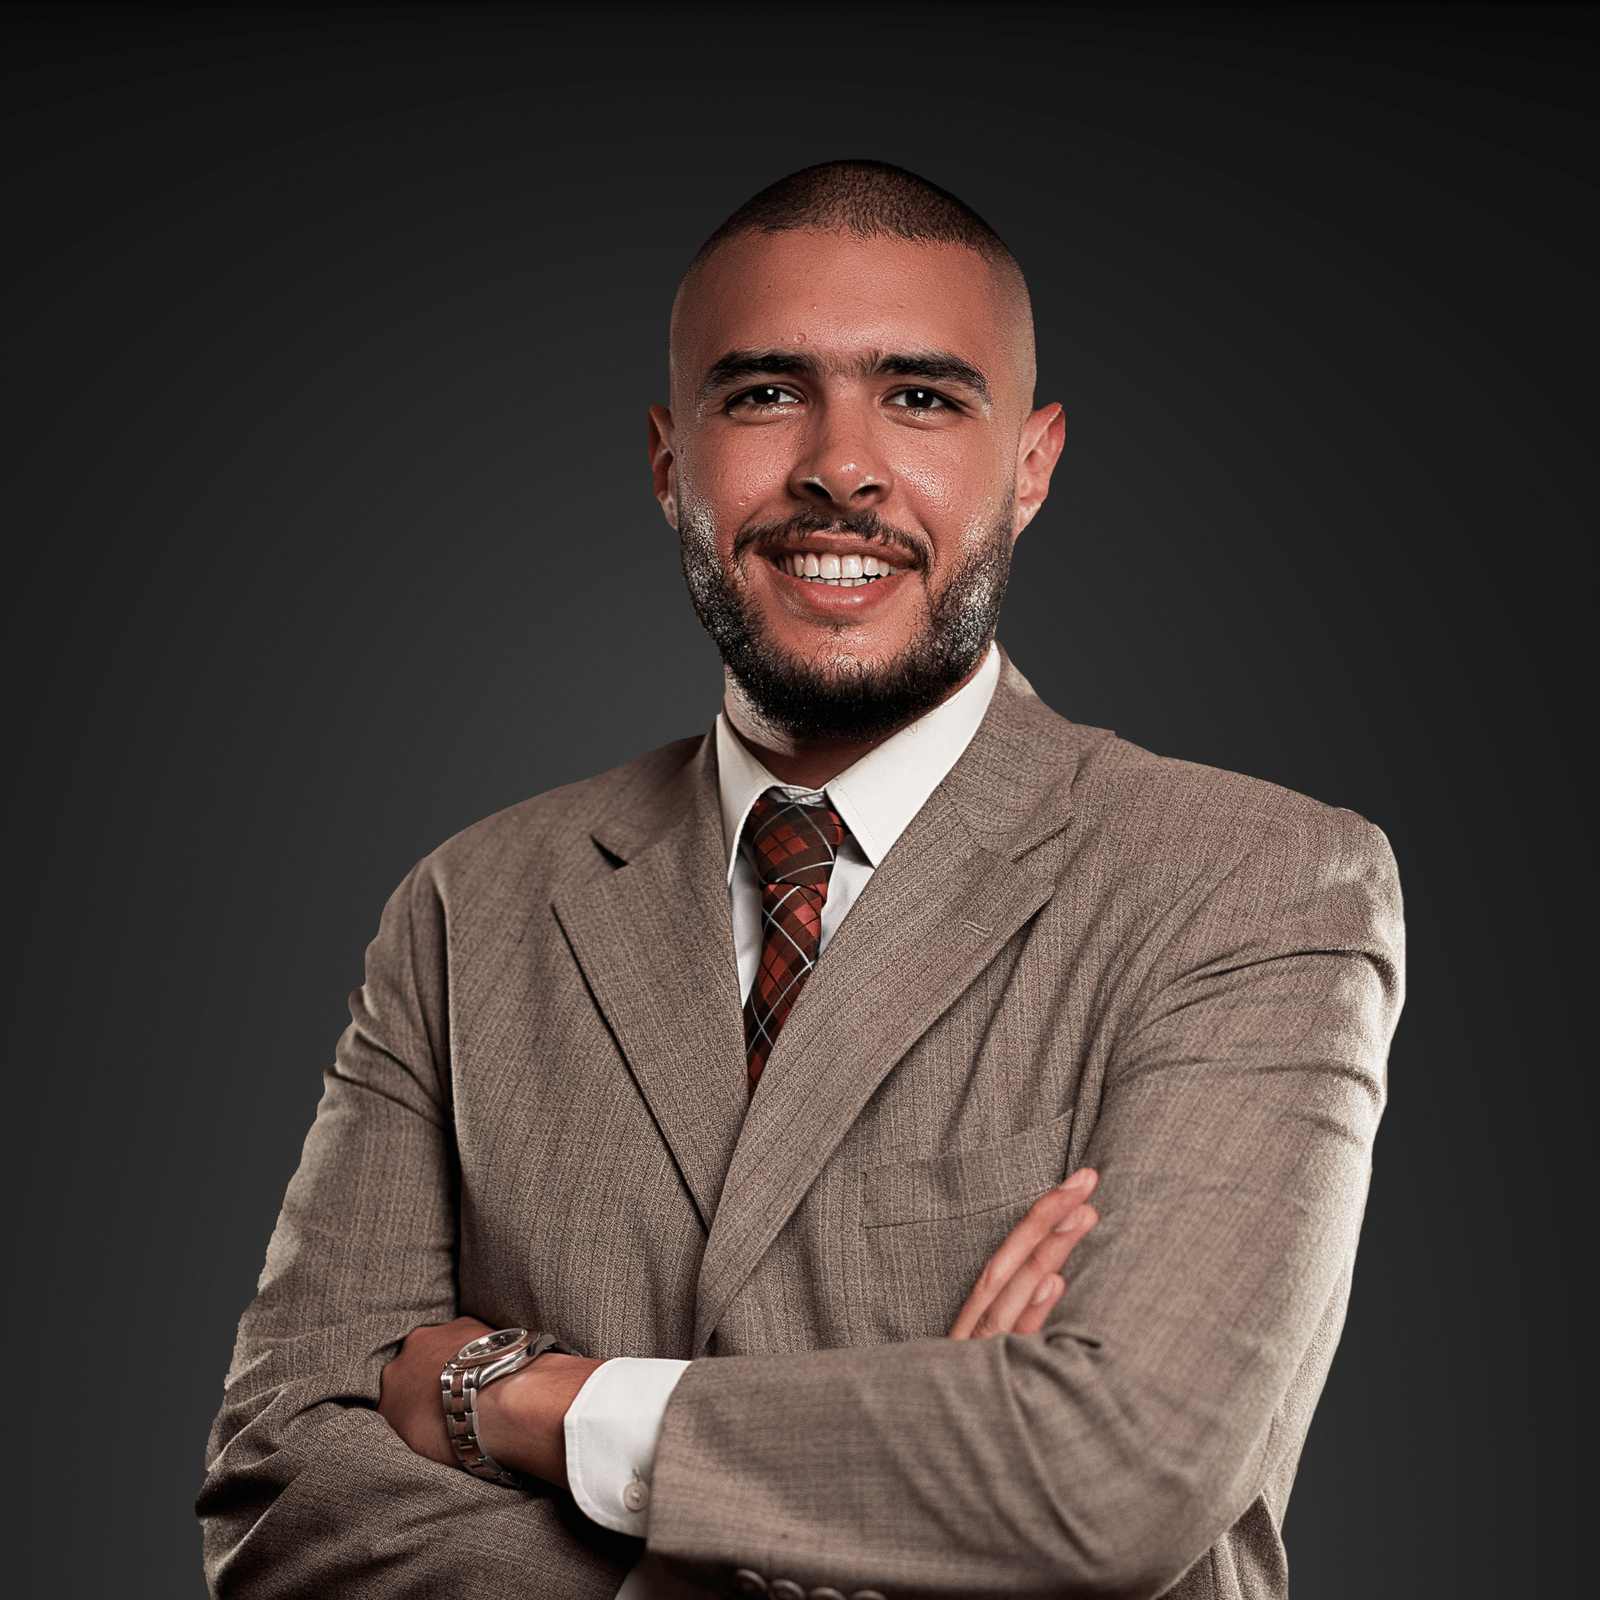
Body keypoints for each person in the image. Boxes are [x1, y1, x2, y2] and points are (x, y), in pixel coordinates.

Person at [198, 160, 1404, 1600]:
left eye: (923, 396)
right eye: (765, 393)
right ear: (667, 461)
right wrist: (904, 1499)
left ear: (1033, 461)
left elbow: (1117, 1474)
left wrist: (529, 1400)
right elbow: (283, 1486)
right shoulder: (472, 905)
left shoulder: (1252, 886)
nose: (841, 465)